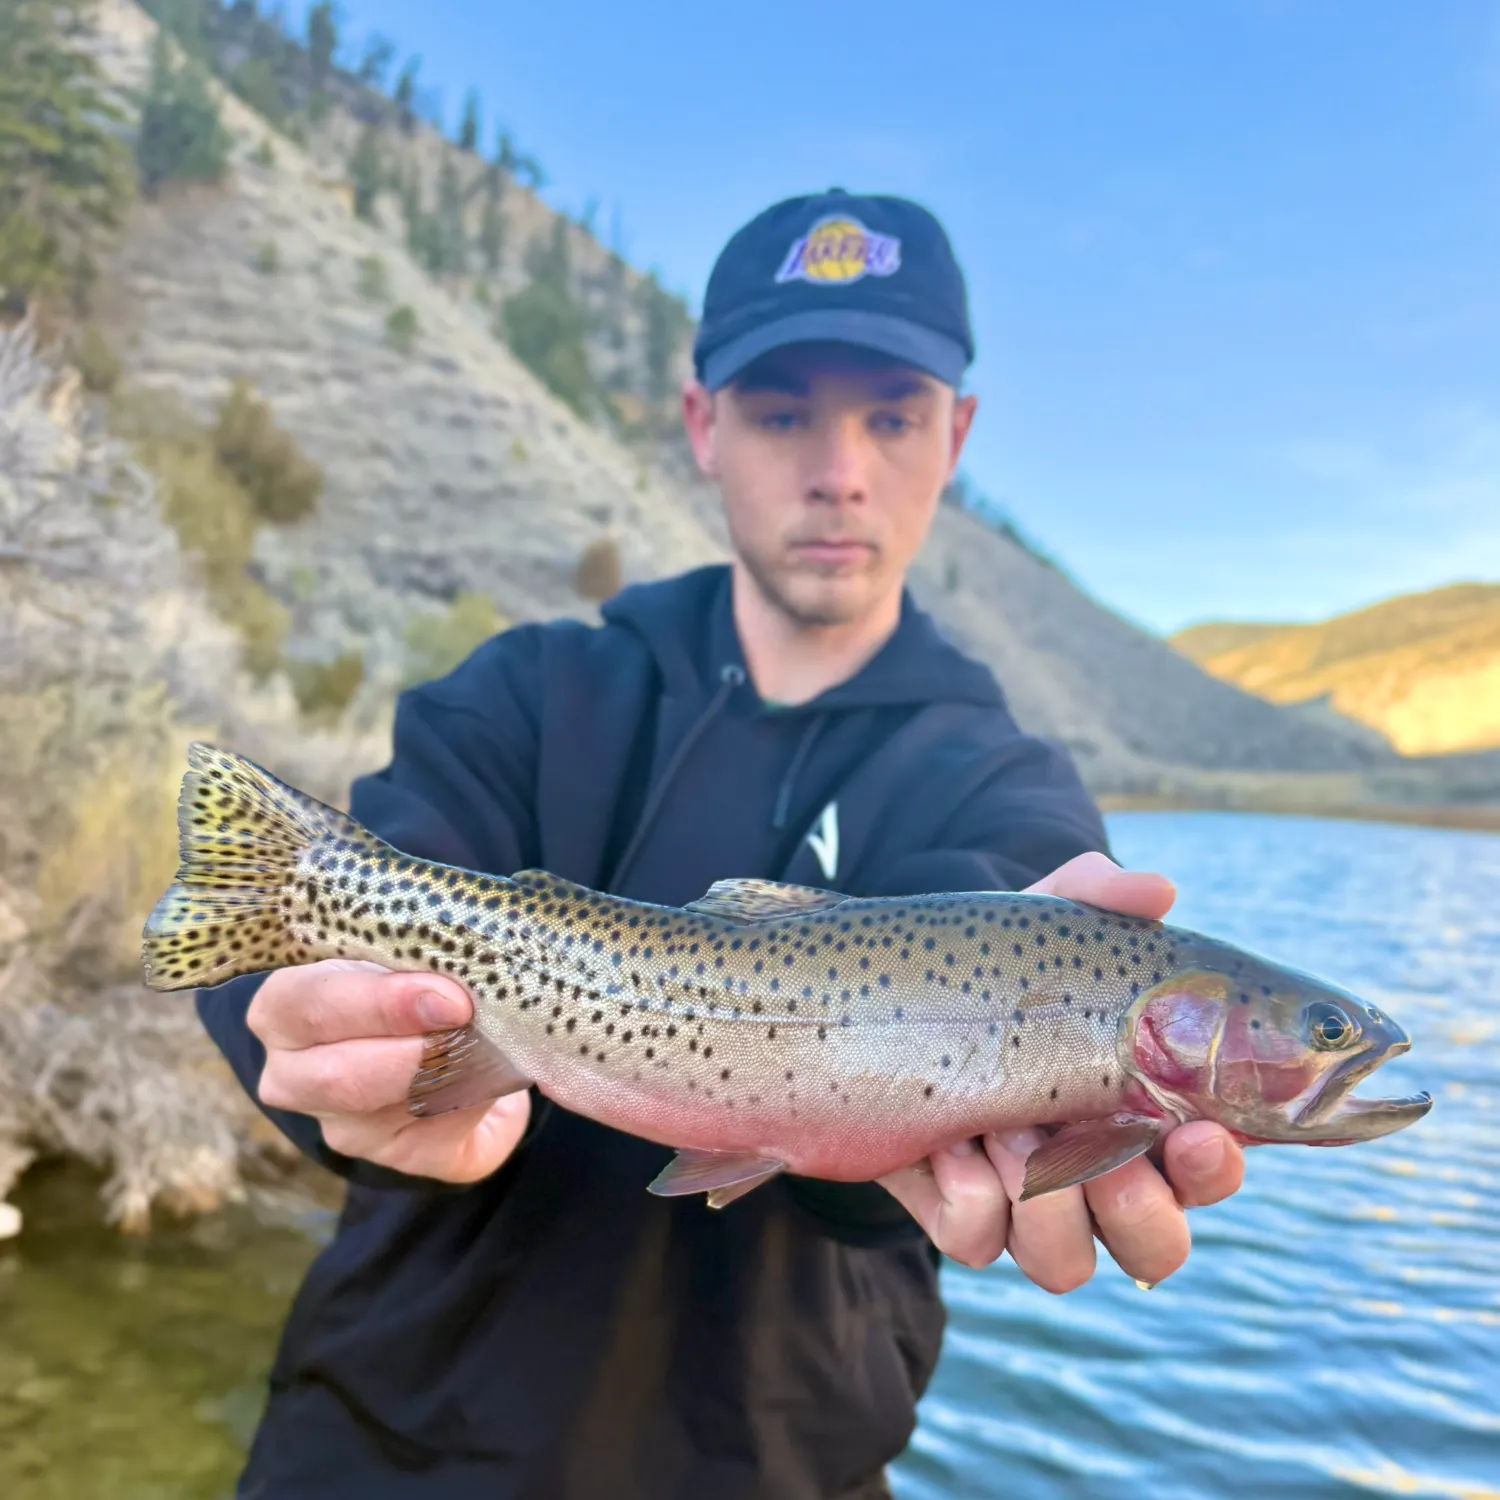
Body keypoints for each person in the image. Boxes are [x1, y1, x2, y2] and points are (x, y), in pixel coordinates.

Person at [199, 188, 1246, 1500]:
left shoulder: (1008, 795)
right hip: (379, 1459)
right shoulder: (527, 695)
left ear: (956, 435)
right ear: (704, 424)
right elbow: (265, 984)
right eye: (783, 409)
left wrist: (895, 1160)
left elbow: (917, 1154)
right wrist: (317, 1062)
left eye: (893, 414)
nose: (839, 467)